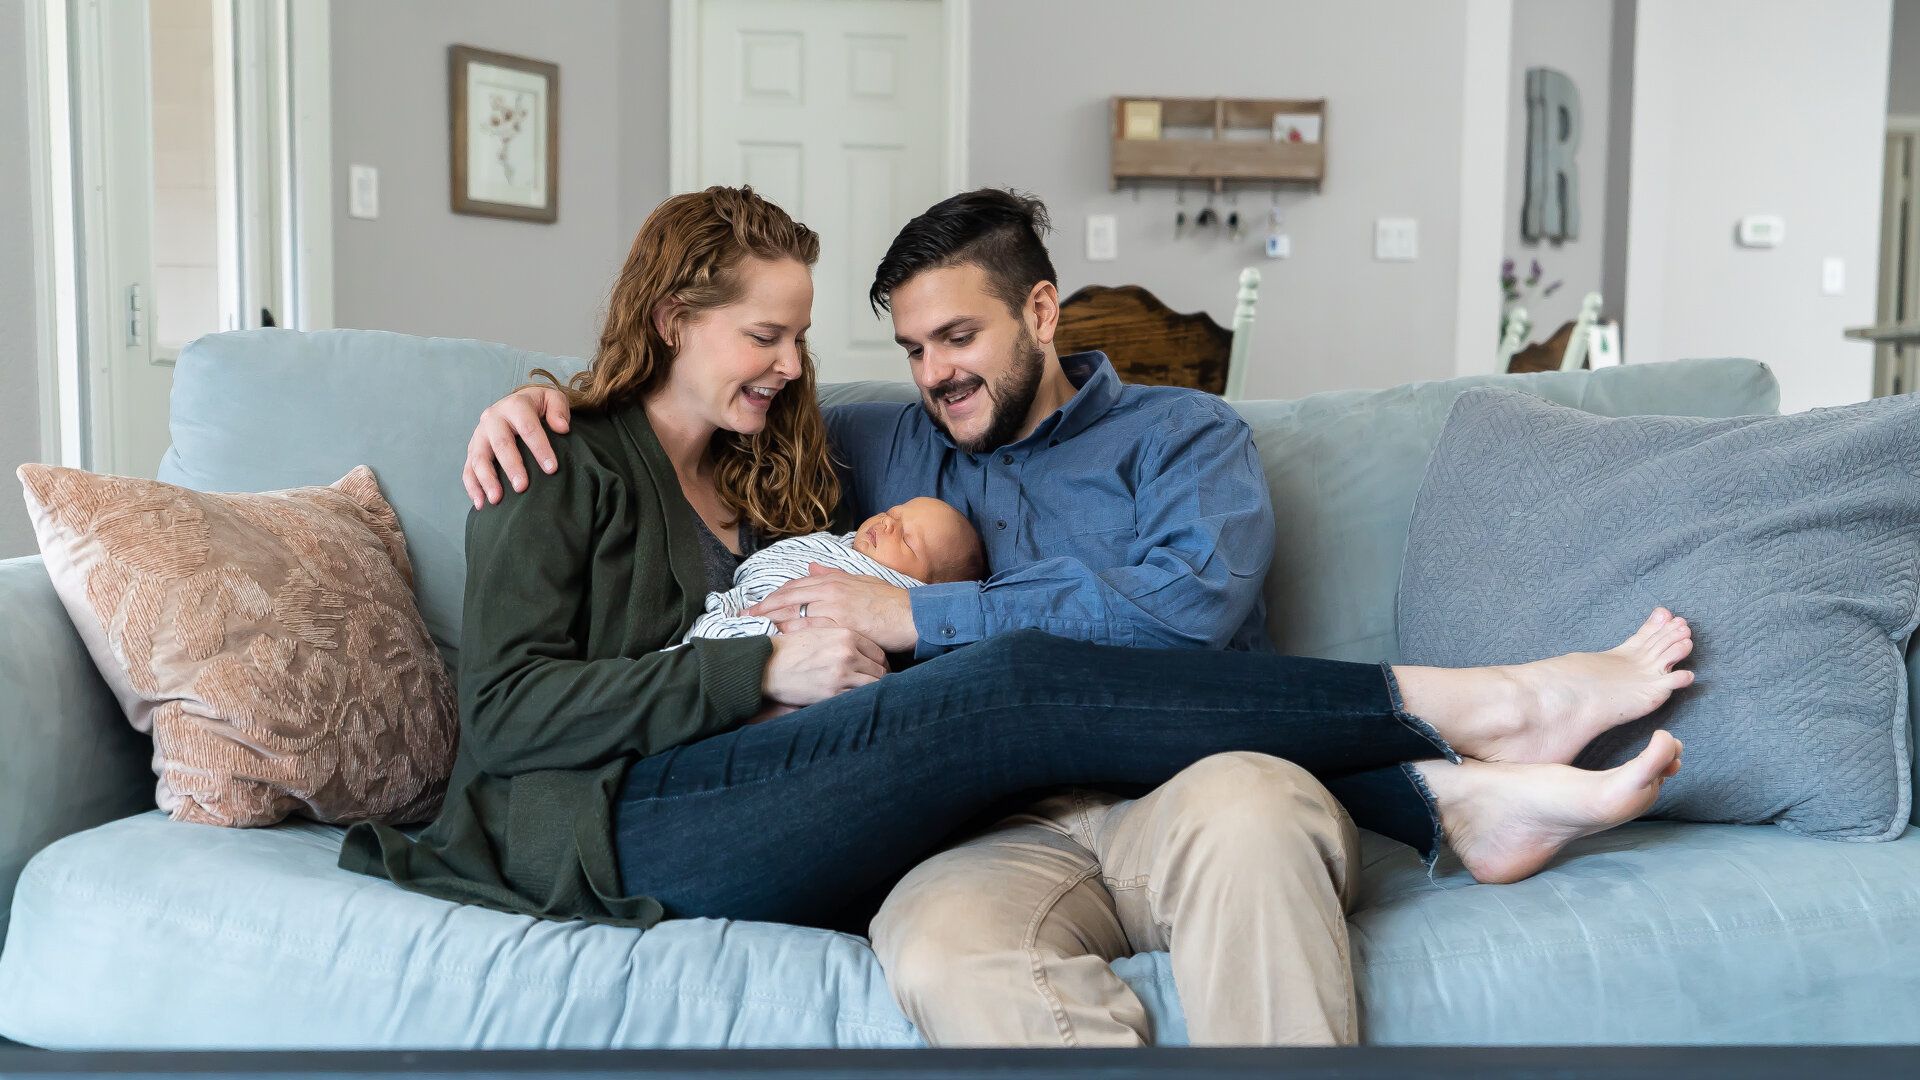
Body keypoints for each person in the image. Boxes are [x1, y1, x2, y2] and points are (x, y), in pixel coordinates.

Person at [449, 186, 1694, 1047]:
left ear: (1042, 313)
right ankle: (1455, 766)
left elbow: (1179, 626)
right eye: (910, 345)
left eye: (960, 336)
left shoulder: (1188, 439)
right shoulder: (862, 445)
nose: (935, 372)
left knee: (1232, 808)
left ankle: (1477, 737)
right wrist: (537, 397)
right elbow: (666, 429)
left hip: (1192, 788)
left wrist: (914, 618)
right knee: (940, 946)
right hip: (981, 830)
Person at [686, 496, 985, 641]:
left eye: (907, 540)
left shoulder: (900, 590)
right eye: (892, 513)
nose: (888, 523)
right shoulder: (840, 544)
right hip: (744, 601)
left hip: (785, 638)